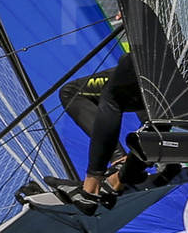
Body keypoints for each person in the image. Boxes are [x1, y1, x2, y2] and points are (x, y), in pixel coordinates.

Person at [57, 52, 160, 212]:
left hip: (152, 64)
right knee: (155, 106)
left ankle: (93, 186)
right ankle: (128, 171)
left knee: (72, 92)